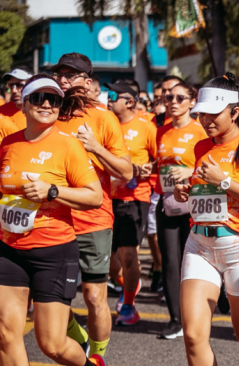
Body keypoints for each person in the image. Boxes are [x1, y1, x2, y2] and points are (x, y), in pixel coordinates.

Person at [0, 75, 106, 366]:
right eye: (38, 98)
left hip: (53, 251)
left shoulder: (68, 145)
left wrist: (52, 191)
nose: (46, 104)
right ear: (23, 104)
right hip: (8, 250)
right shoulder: (8, 144)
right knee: (6, 335)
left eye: (54, 100)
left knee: (52, 345)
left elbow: (94, 196)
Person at [173, 73, 239, 366]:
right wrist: (188, 192)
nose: (206, 121)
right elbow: (205, 193)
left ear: (234, 111)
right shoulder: (201, 147)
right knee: (193, 336)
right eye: (201, 115)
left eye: (213, 114)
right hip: (200, 245)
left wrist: (224, 182)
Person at [51, 53, 134, 359]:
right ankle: (80, 338)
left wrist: (95, 147)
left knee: (94, 296)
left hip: (93, 221)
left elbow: (126, 172)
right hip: (52, 220)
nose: (62, 79)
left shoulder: (103, 118)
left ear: (87, 83)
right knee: (46, 297)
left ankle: (97, 357)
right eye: (59, 74)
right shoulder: (46, 113)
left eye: (70, 75)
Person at [154, 81, 206, 339]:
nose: (172, 101)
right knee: (170, 262)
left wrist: (190, 171)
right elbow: (160, 167)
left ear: (192, 102)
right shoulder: (161, 132)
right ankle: (176, 319)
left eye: (179, 97)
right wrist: (147, 170)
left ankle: (198, 313)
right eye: (168, 97)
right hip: (167, 202)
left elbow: (215, 164)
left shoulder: (200, 131)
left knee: (194, 262)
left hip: (195, 203)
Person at [106, 81, 158, 326]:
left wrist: (149, 170)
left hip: (134, 197)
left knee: (128, 256)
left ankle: (128, 305)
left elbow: (161, 159)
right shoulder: (104, 124)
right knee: (108, 260)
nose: (109, 98)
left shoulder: (147, 128)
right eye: (109, 93)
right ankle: (129, 283)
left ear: (130, 101)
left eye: (114, 95)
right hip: (105, 198)